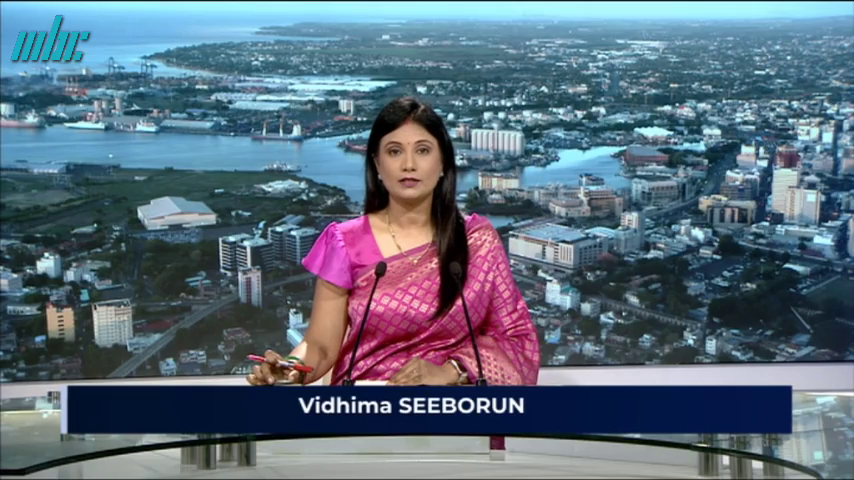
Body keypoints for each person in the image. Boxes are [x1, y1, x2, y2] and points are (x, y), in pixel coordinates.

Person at [247, 96, 540, 387]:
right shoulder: (344, 242)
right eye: (394, 151)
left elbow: (517, 339)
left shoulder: (478, 241)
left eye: (422, 150)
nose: (409, 164)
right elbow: (320, 345)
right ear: (377, 163)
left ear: (442, 163)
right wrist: (292, 369)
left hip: (452, 407)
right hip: (362, 406)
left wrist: (452, 370)